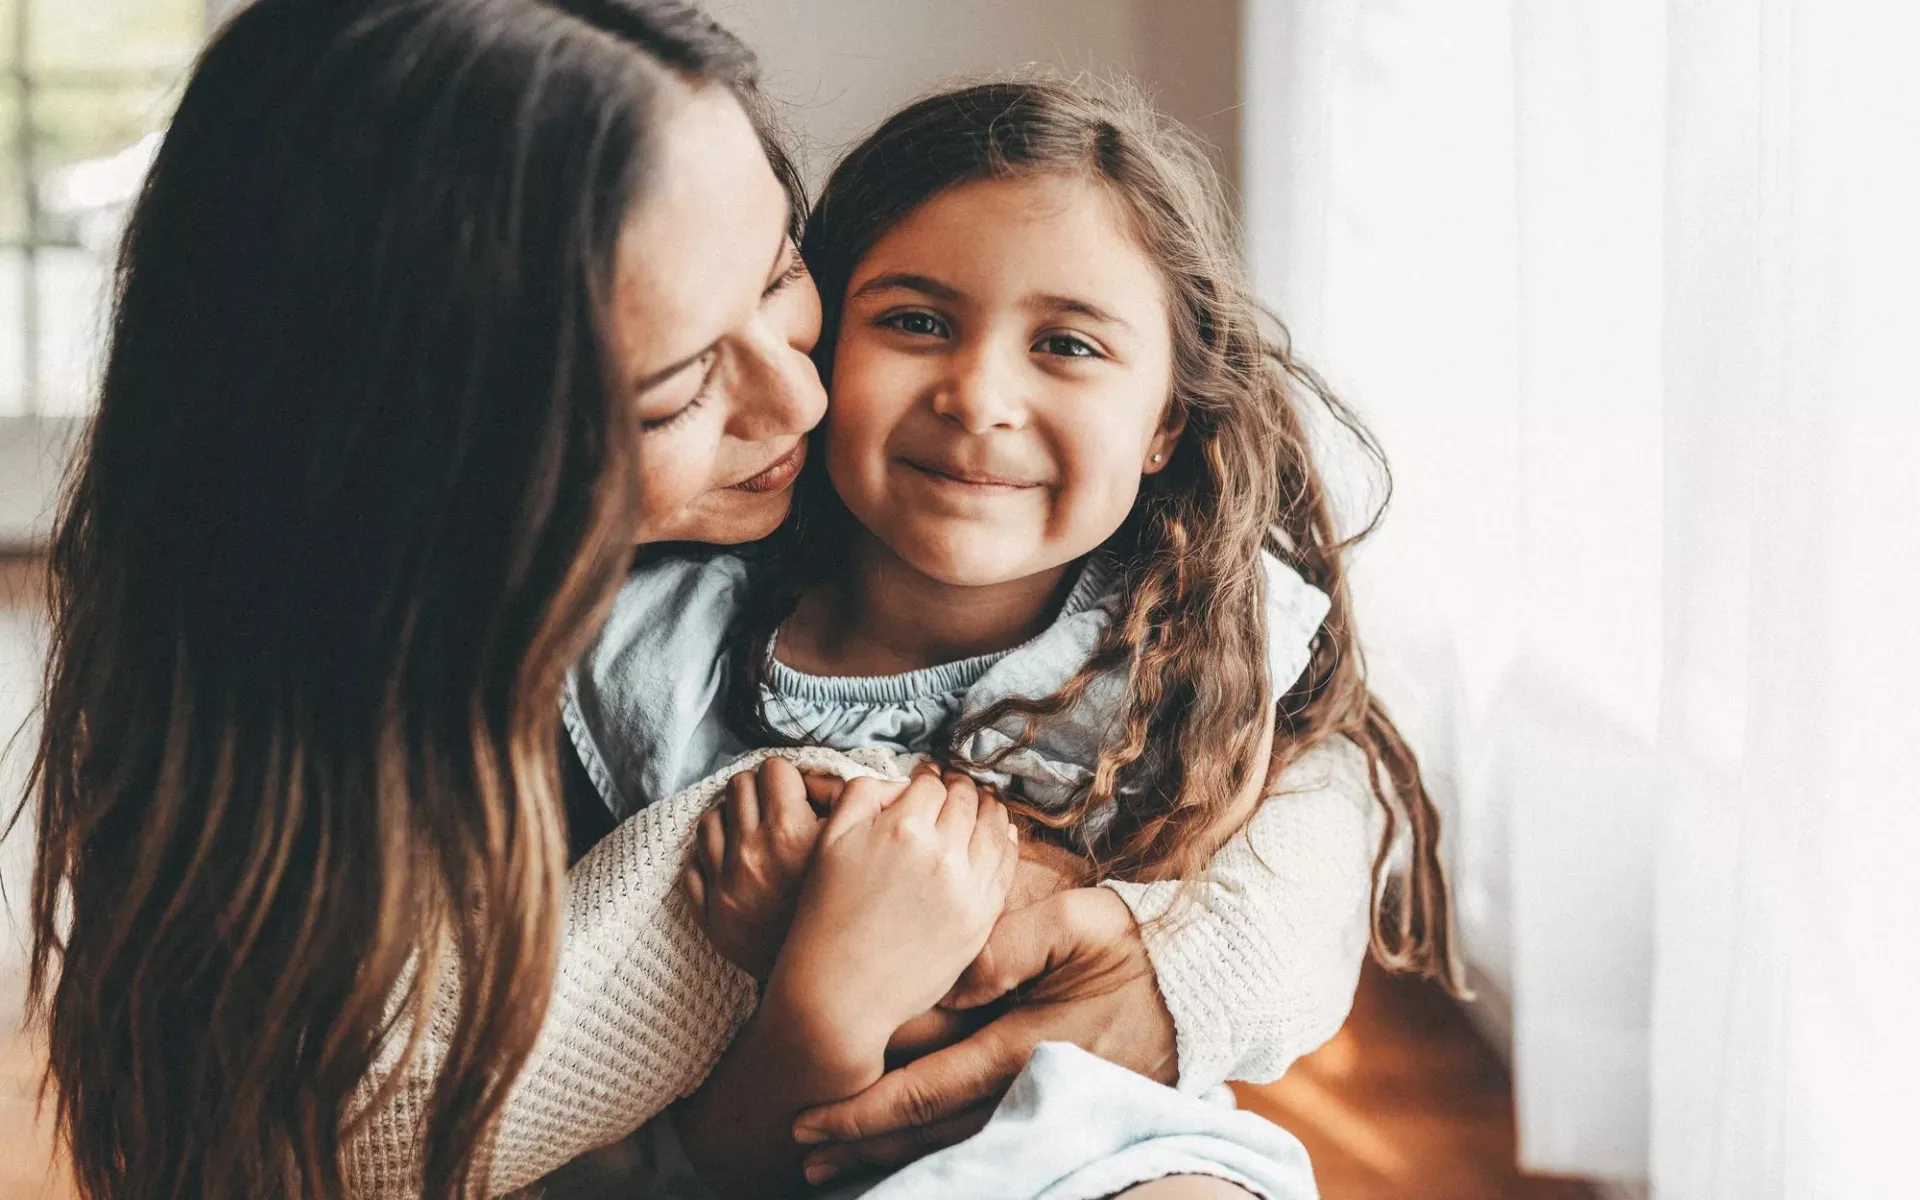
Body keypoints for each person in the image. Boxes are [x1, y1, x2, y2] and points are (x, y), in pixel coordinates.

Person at [15, 2, 1325, 1197]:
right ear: (421, 461)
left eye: (778, 279)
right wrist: (797, 994)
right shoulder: (481, 775)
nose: (801, 403)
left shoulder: (1125, 591)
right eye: (677, 386)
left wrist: (1186, 964)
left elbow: (1331, 772)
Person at [559, 76, 1461, 1197]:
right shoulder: (665, 664)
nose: (979, 395)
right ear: (825, 345)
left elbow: (1197, 974)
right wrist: (814, 990)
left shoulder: (1183, 649)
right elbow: (692, 1153)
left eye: (1069, 346)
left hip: (1109, 1155)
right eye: (916, 322)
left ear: (1167, 420)